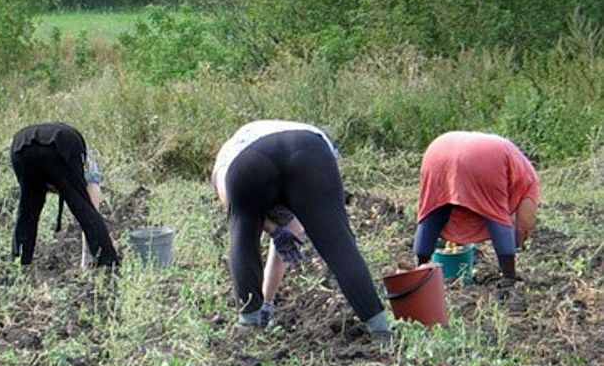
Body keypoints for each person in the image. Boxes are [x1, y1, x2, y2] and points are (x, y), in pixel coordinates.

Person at [212, 120, 391, 335]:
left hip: (249, 162)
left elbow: (236, 206)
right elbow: (298, 218)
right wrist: (275, 231)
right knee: (339, 244)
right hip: (310, 150)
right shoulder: (233, 155)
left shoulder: (228, 159)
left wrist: (275, 232)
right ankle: (379, 328)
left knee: (242, 236)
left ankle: (249, 324)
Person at [415, 131, 539, 283]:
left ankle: (421, 269)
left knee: (435, 206)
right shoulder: (530, 177)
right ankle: (509, 277)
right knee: (495, 213)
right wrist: (518, 243)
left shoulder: (514, 157)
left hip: (438, 150)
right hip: (486, 158)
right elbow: (524, 223)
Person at [10, 122, 118, 268]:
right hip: (59, 146)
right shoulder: (85, 164)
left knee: (27, 210)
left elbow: (92, 194)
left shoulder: (88, 167)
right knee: (83, 208)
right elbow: (91, 210)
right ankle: (108, 263)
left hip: (21, 147)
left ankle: (19, 263)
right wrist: (88, 256)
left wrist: (85, 258)